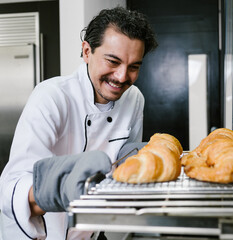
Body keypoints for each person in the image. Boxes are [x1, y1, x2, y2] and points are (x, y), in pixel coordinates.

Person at [0, 6, 157, 240]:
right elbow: (12, 188)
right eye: (113, 61)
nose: (123, 77)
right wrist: (59, 188)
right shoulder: (51, 96)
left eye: (134, 67)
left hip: (88, 232)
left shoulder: (134, 99)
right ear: (86, 51)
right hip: (37, 234)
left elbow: (122, 171)